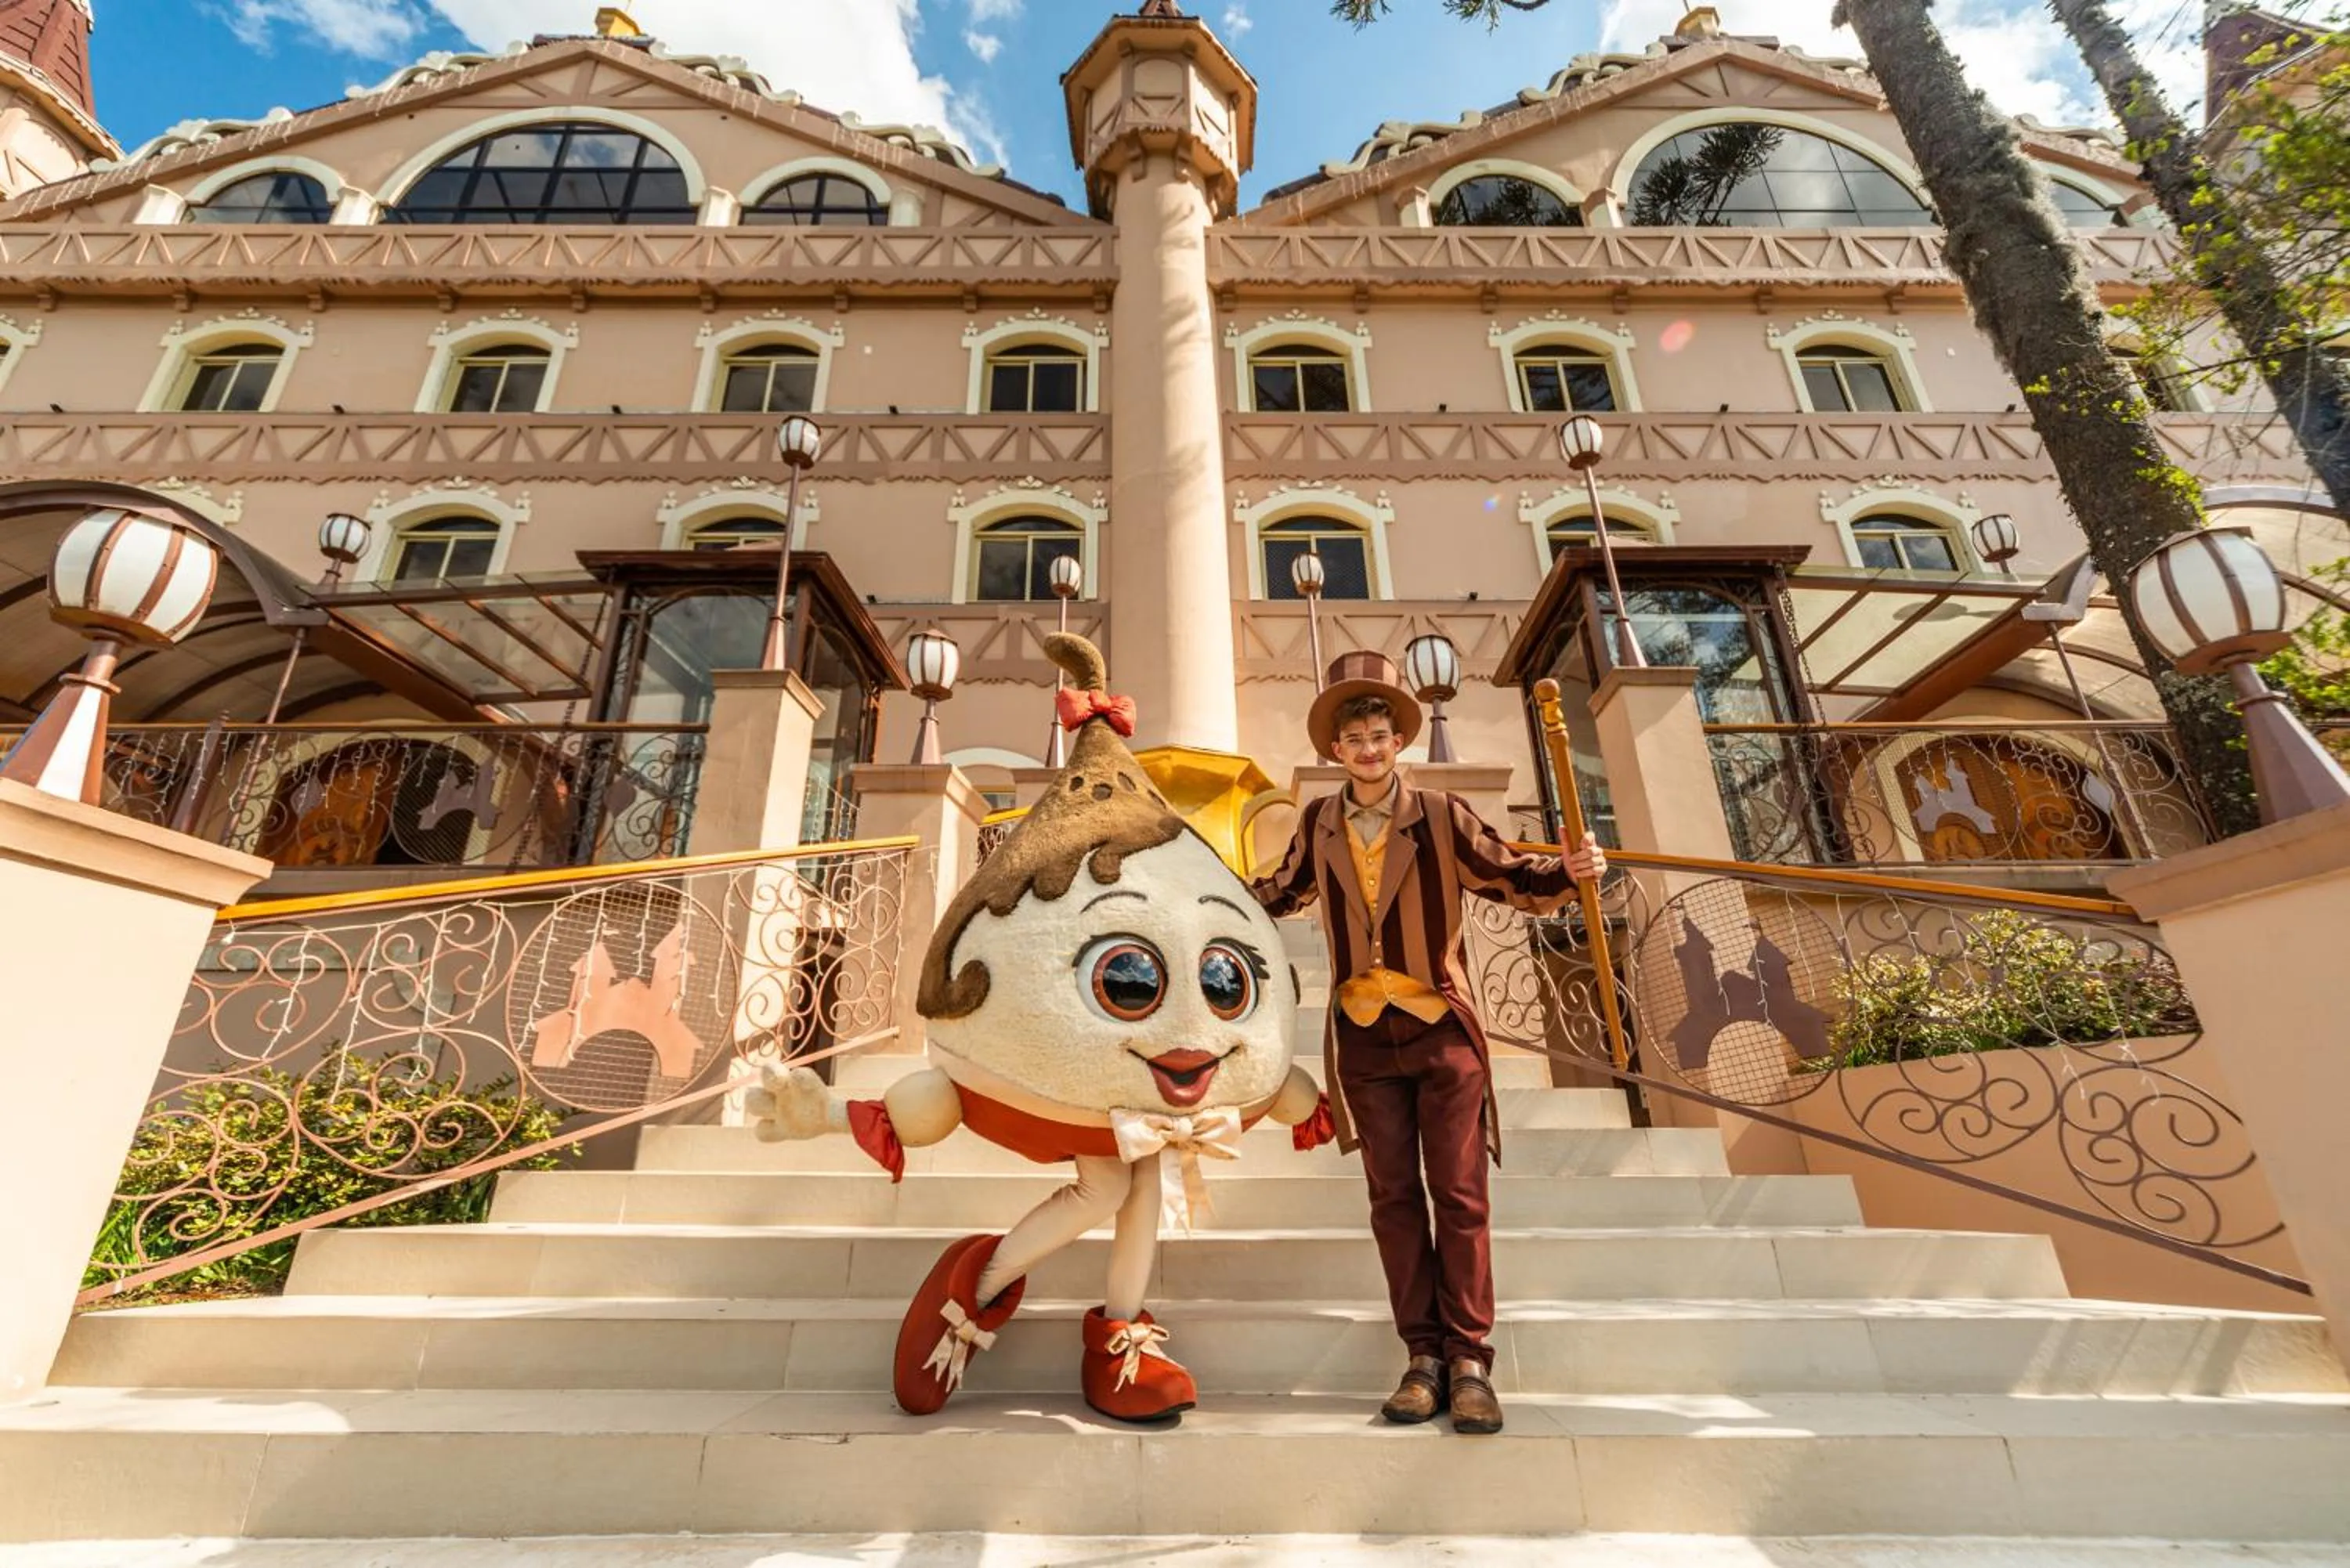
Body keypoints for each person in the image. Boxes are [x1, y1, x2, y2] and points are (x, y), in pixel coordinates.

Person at [1249, 650, 1605, 1435]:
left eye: (1381, 736)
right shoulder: (1320, 824)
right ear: (1335, 753)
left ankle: (1471, 1360)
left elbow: (1509, 874)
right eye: (1356, 741)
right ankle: (1423, 1359)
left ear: (1397, 742)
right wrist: (1206, 900)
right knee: (1394, 1200)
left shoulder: (1441, 814)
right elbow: (1277, 892)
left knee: (1460, 1195)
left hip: (1442, 1030)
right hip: (1364, 1039)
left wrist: (1570, 871)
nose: (1370, 750)